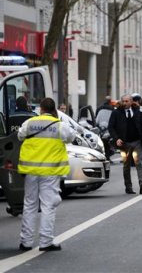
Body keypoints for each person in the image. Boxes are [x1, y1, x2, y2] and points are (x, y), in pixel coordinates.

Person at [18, 97, 76, 252]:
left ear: (41, 109)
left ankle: (26, 242)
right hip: (50, 172)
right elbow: (72, 137)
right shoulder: (60, 125)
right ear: (54, 109)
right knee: (48, 206)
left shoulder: (30, 123)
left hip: (31, 171)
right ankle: (45, 242)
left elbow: (19, 135)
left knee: (30, 205)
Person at [108, 94, 142, 195]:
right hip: (124, 143)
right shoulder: (116, 112)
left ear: (131, 102)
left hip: (137, 142)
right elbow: (111, 127)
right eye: (123, 101)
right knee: (126, 165)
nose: (125, 103)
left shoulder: (137, 111)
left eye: (127, 101)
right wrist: (116, 138)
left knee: (138, 163)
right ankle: (128, 187)